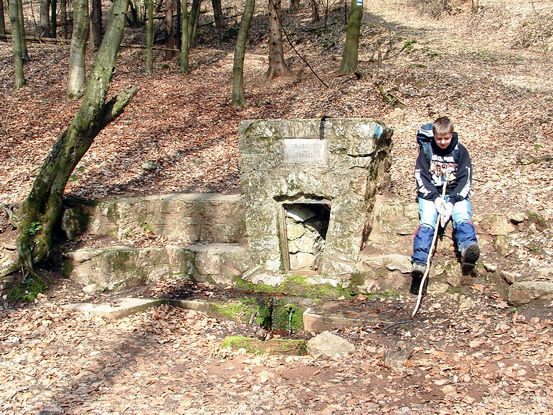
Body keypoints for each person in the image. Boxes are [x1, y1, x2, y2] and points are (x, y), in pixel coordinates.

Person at [410, 116, 480, 294]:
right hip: (432, 194)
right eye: (439, 138)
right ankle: (420, 262)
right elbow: (421, 177)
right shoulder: (426, 150)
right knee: (427, 220)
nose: (442, 142)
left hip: (454, 194)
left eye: (446, 138)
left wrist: (452, 202)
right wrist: (435, 198)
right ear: (434, 135)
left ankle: (467, 249)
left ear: (452, 134)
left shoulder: (460, 151)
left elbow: (466, 179)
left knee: (462, 215)